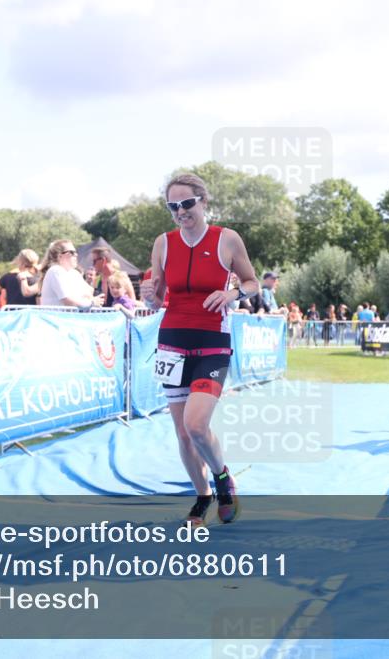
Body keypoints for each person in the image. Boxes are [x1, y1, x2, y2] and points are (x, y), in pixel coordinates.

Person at [139, 173, 258, 526]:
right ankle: (202, 495)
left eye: (187, 203)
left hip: (212, 343)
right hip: (172, 342)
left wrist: (233, 293)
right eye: (172, 206)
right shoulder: (163, 243)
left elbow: (252, 282)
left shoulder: (227, 239)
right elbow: (158, 298)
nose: (180, 211)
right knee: (182, 434)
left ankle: (222, 478)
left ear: (203, 201)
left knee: (195, 424)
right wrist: (150, 296)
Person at [39, 240, 100, 307]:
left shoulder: (74, 273)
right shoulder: (55, 271)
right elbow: (67, 300)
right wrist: (91, 303)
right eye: (72, 252)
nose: (76, 255)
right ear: (60, 256)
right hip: (54, 314)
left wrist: (85, 299)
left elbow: (89, 293)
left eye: (75, 252)